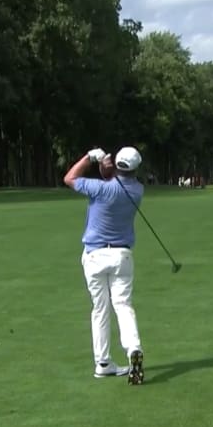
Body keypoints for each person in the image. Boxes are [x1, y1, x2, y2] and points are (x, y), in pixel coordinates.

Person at [63, 146, 146, 384]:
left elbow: (69, 178)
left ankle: (103, 363)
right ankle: (133, 349)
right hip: (122, 256)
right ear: (136, 168)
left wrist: (90, 158)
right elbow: (116, 181)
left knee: (100, 309)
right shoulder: (137, 190)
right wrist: (105, 167)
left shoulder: (99, 189)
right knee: (123, 305)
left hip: (95, 256)